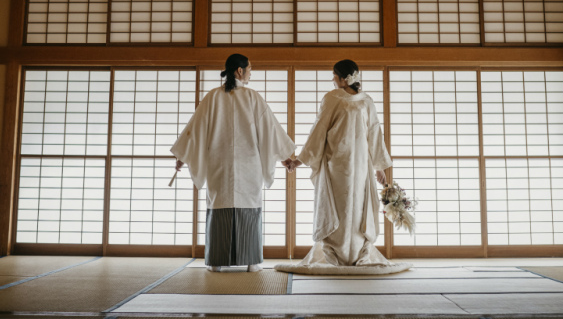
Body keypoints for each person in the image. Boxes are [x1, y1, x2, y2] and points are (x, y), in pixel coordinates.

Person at [276, 60, 410, 275]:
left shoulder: (349, 99)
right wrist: (299, 159)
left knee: (354, 208)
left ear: (342, 78)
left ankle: (354, 254)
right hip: (344, 165)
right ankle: (337, 254)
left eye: (334, 75)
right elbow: (326, 131)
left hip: (349, 165)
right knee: (344, 208)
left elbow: (322, 131)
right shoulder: (352, 99)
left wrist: (378, 167)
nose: (332, 79)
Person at [171, 54, 295, 272]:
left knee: (220, 206)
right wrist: (285, 156)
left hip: (220, 165)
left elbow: (195, 131)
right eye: (249, 68)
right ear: (239, 71)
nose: (250, 72)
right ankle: (252, 262)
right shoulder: (252, 97)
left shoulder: (212, 97)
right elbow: (270, 131)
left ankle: (217, 262)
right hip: (250, 166)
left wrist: (184, 155)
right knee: (249, 207)